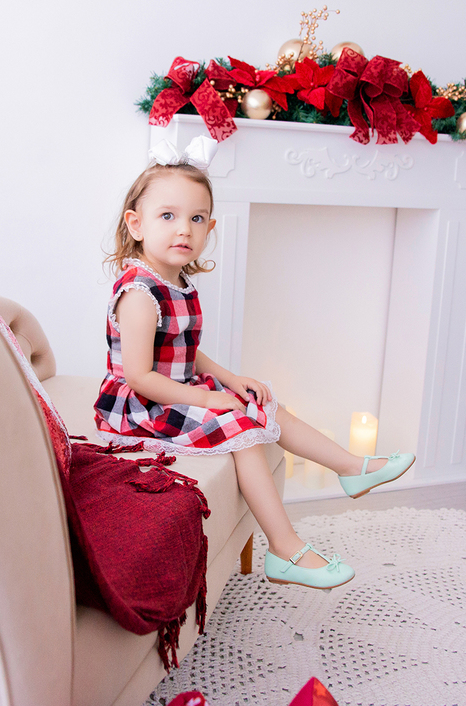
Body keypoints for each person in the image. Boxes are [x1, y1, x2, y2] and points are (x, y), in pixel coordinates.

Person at [94, 136, 415, 590]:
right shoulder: (140, 293)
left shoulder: (177, 283)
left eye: (196, 218)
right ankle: (284, 549)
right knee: (242, 431)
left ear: (210, 228)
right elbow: (140, 375)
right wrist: (208, 397)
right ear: (137, 223)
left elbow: (183, 350)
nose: (184, 229)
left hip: (175, 387)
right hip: (142, 405)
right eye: (168, 216)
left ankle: (351, 468)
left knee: (262, 401)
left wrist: (229, 380)